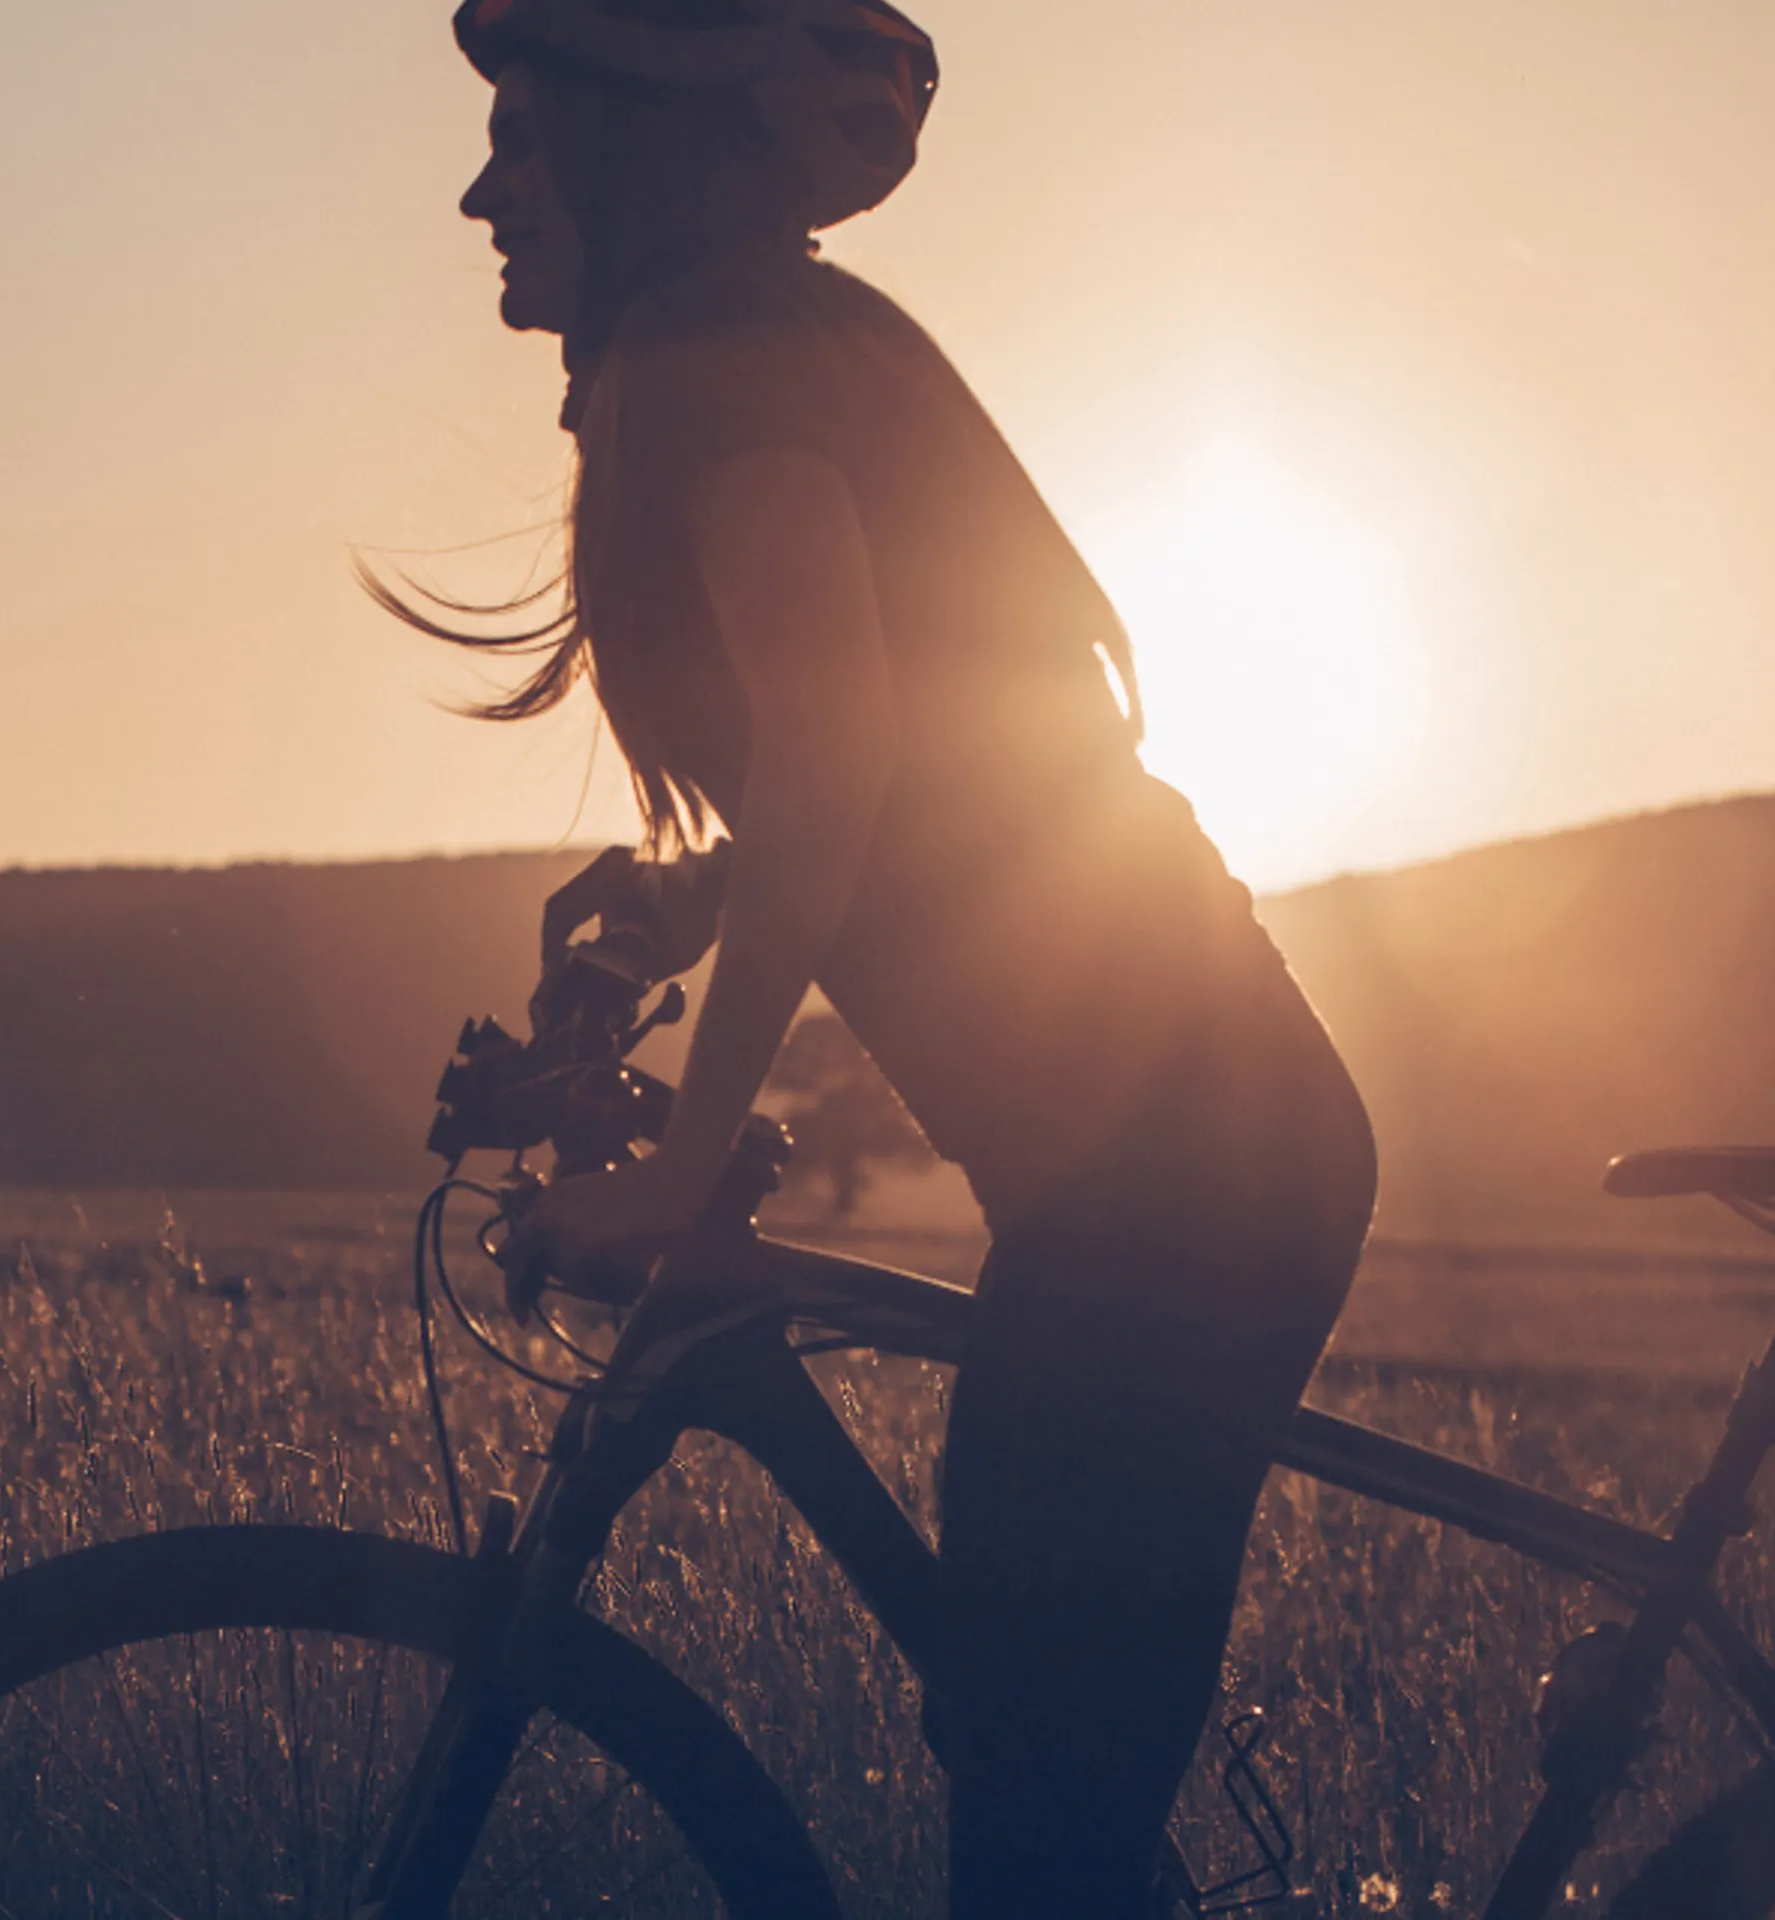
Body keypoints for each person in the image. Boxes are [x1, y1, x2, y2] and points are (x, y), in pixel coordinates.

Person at [380, 2, 1383, 1912]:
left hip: (1181, 1187)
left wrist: (691, 1158)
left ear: (630, 144)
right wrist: (692, 902)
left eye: (518, 134)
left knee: (1038, 1844)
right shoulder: (761, 341)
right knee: (1035, 1786)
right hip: (1183, 1161)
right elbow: (940, 780)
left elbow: (845, 765)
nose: (478, 189)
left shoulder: (719, 359)